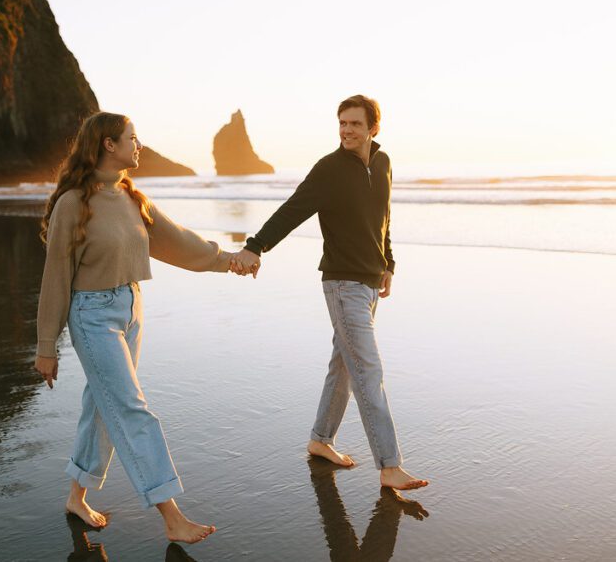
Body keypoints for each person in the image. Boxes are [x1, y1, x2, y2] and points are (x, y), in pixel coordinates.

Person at [34, 112, 235, 544]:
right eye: (132, 138)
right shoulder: (74, 204)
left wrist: (229, 260)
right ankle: (171, 514)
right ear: (108, 145)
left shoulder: (131, 197)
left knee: (103, 405)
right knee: (131, 408)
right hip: (91, 315)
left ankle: (76, 497)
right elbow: (55, 276)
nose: (138, 145)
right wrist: (46, 345)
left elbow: (178, 241)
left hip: (130, 307)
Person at [230, 95, 428, 491]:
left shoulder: (383, 164)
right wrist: (255, 245)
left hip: (370, 283)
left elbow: (383, 219)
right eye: (342, 123)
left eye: (355, 124)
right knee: (367, 370)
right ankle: (389, 466)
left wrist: (388, 264)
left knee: (344, 365)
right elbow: (293, 209)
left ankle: (320, 441)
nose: (347, 130)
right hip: (342, 284)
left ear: (374, 128)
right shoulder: (329, 169)